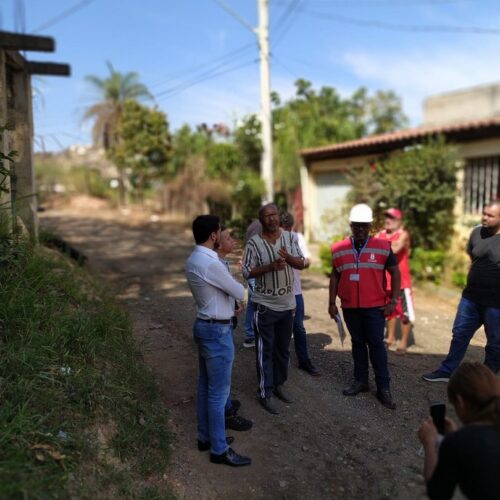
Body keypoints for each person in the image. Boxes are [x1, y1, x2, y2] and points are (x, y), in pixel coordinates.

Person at [185, 215, 251, 467]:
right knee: (217, 393)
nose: (223, 235)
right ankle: (219, 449)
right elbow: (238, 291)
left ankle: (207, 437)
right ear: (213, 236)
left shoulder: (194, 258)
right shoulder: (211, 263)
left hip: (205, 324)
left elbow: (215, 294)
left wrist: (227, 302)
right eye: (221, 232)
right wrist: (233, 293)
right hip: (216, 331)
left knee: (205, 386)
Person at [328, 203, 400, 409]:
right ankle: (361, 381)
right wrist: (331, 302)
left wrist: (393, 301)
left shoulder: (382, 247)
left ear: (370, 227)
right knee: (357, 343)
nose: (360, 230)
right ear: (350, 225)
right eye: (356, 226)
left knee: (376, 345)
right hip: (350, 307)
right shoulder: (339, 249)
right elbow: (334, 276)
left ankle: (383, 387)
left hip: (375, 308)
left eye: (363, 226)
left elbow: (395, 272)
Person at [423, 200, 500, 382]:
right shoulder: (476, 233)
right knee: (459, 334)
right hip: (471, 299)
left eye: (490, 215)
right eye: (484, 213)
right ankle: (446, 371)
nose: (484, 218)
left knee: (495, 344)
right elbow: (473, 258)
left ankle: (487, 378)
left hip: (496, 304)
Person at [242, 203, 306, 415]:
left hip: (287, 305)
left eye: (274, 214)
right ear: (261, 220)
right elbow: (246, 272)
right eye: (267, 216)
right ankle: (264, 392)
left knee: (282, 349)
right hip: (265, 306)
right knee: (264, 351)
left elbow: (302, 263)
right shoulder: (254, 243)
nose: (272, 219)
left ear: (280, 216)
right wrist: (270, 267)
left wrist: (288, 258)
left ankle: (278, 384)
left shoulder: (290, 238)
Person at [418, 361, 500, 500]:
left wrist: (429, 445)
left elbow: (438, 494)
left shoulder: (459, 442)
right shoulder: (462, 440)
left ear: (460, 401)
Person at [215, 227, 253, 432]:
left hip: (226, 319)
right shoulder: (216, 264)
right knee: (222, 375)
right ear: (217, 243)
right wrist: (237, 296)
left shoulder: (222, 262)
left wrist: (234, 304)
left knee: (224, 373)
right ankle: (225, 414)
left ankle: (227, 404)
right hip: (219, 325)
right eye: (228, 238)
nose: (233, 241)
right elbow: (237, 289)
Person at [280, 211, 320, 376]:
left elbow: (307, 261)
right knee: (296, 328)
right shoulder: (273, 239)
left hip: (291, 291)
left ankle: (296, 361)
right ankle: (297, 361)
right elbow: (307, 261)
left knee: (293, 327)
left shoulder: (297, 238)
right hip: (284, 292)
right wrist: (301, 262)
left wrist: (299, 261)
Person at [376, 208, 415, 355]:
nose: (388, 220)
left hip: (402, 282)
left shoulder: (403, 234)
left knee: (405, 313)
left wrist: (380, 244)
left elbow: (397, 248)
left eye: (392, 218)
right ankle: (390, 338)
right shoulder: (381, 234)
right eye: (386, 217)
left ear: (399, 221)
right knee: (389, 311)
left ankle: (404, 343)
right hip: (385, 280)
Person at [242, 219, 262, 349]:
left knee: (252, 303)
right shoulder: (263, 227)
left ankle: (250, 335)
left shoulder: (252, 225)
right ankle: (253, 335)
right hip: (257, 270)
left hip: (250, 268)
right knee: (258, 303)